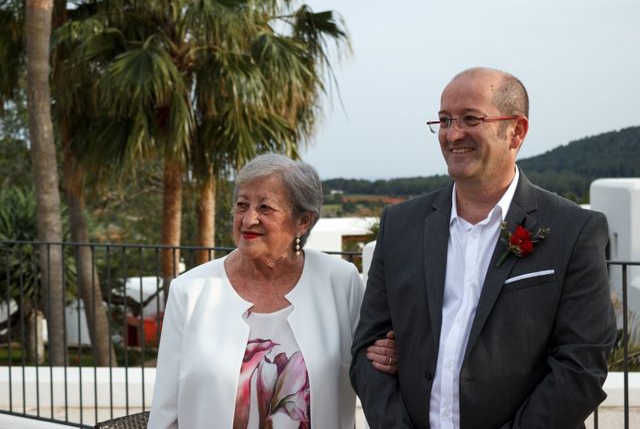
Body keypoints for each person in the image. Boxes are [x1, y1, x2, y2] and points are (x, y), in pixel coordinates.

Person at [350, 67, 617, 428]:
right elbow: (367, 353)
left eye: (470, 119)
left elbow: (581, 365)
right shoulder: (400, 225)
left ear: (516, 131)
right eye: (444, 120)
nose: (452, 134)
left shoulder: (574, 230)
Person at [148, 153, 396, 429]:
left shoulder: (340, 281)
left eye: (265, 208)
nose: (248, 219)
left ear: (303, 221)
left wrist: (389, 354)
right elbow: (165, 410)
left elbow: (368, 361)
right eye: (242, 205)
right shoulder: (190, 291)